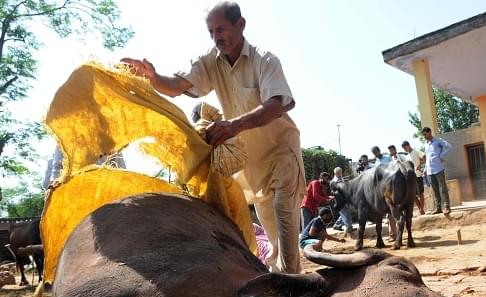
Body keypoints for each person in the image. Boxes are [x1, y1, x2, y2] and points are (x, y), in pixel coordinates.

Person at [121, 2, 305, 273]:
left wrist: (234, 125)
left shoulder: (265, 60)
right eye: (211, 31)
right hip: (253, 166)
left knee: (284, 218)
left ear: (240, 25)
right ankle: (285, 281)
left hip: (282, 154)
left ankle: (292, 286)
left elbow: (276, 104)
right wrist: (152, 77)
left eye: (221, 29)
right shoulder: (210, 61)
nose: (216, 36)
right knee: (274, 236)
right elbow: (176, 86)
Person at [422, 127, 452, 215]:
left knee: (443, 188)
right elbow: (428, 158)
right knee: (435, 190)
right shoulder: (426, 144)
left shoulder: (438, 140)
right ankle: (438, 207)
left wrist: (441, 156)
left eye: (425, 134)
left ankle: (447, 206)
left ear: (430, 132)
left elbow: (449, 146)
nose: (425, 136)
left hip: (439, 168)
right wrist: (425, 169)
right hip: (430, 171)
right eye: (423, 135)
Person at [402, 140, 426, 215]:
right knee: (413, 195)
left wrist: (419, 165)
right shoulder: (407, 156)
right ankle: (420, 208)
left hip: (418, 175)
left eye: (406, 147)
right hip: (411, 178)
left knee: (420, 193)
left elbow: (424, 157)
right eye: (404, 149)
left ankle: (422, 209)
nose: (405, 149)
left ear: (409, 145)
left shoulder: (416, 151)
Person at [331, 167, 354, 233]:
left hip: (344, 199)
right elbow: (335, 191)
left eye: (340, 172)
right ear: (335, 173)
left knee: (344, 213)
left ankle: (337, 225)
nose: (340, 174)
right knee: (346, 213)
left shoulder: (340, 178)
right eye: (339, 173)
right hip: (339, 200)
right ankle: (349, 227)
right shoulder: (334, 181)